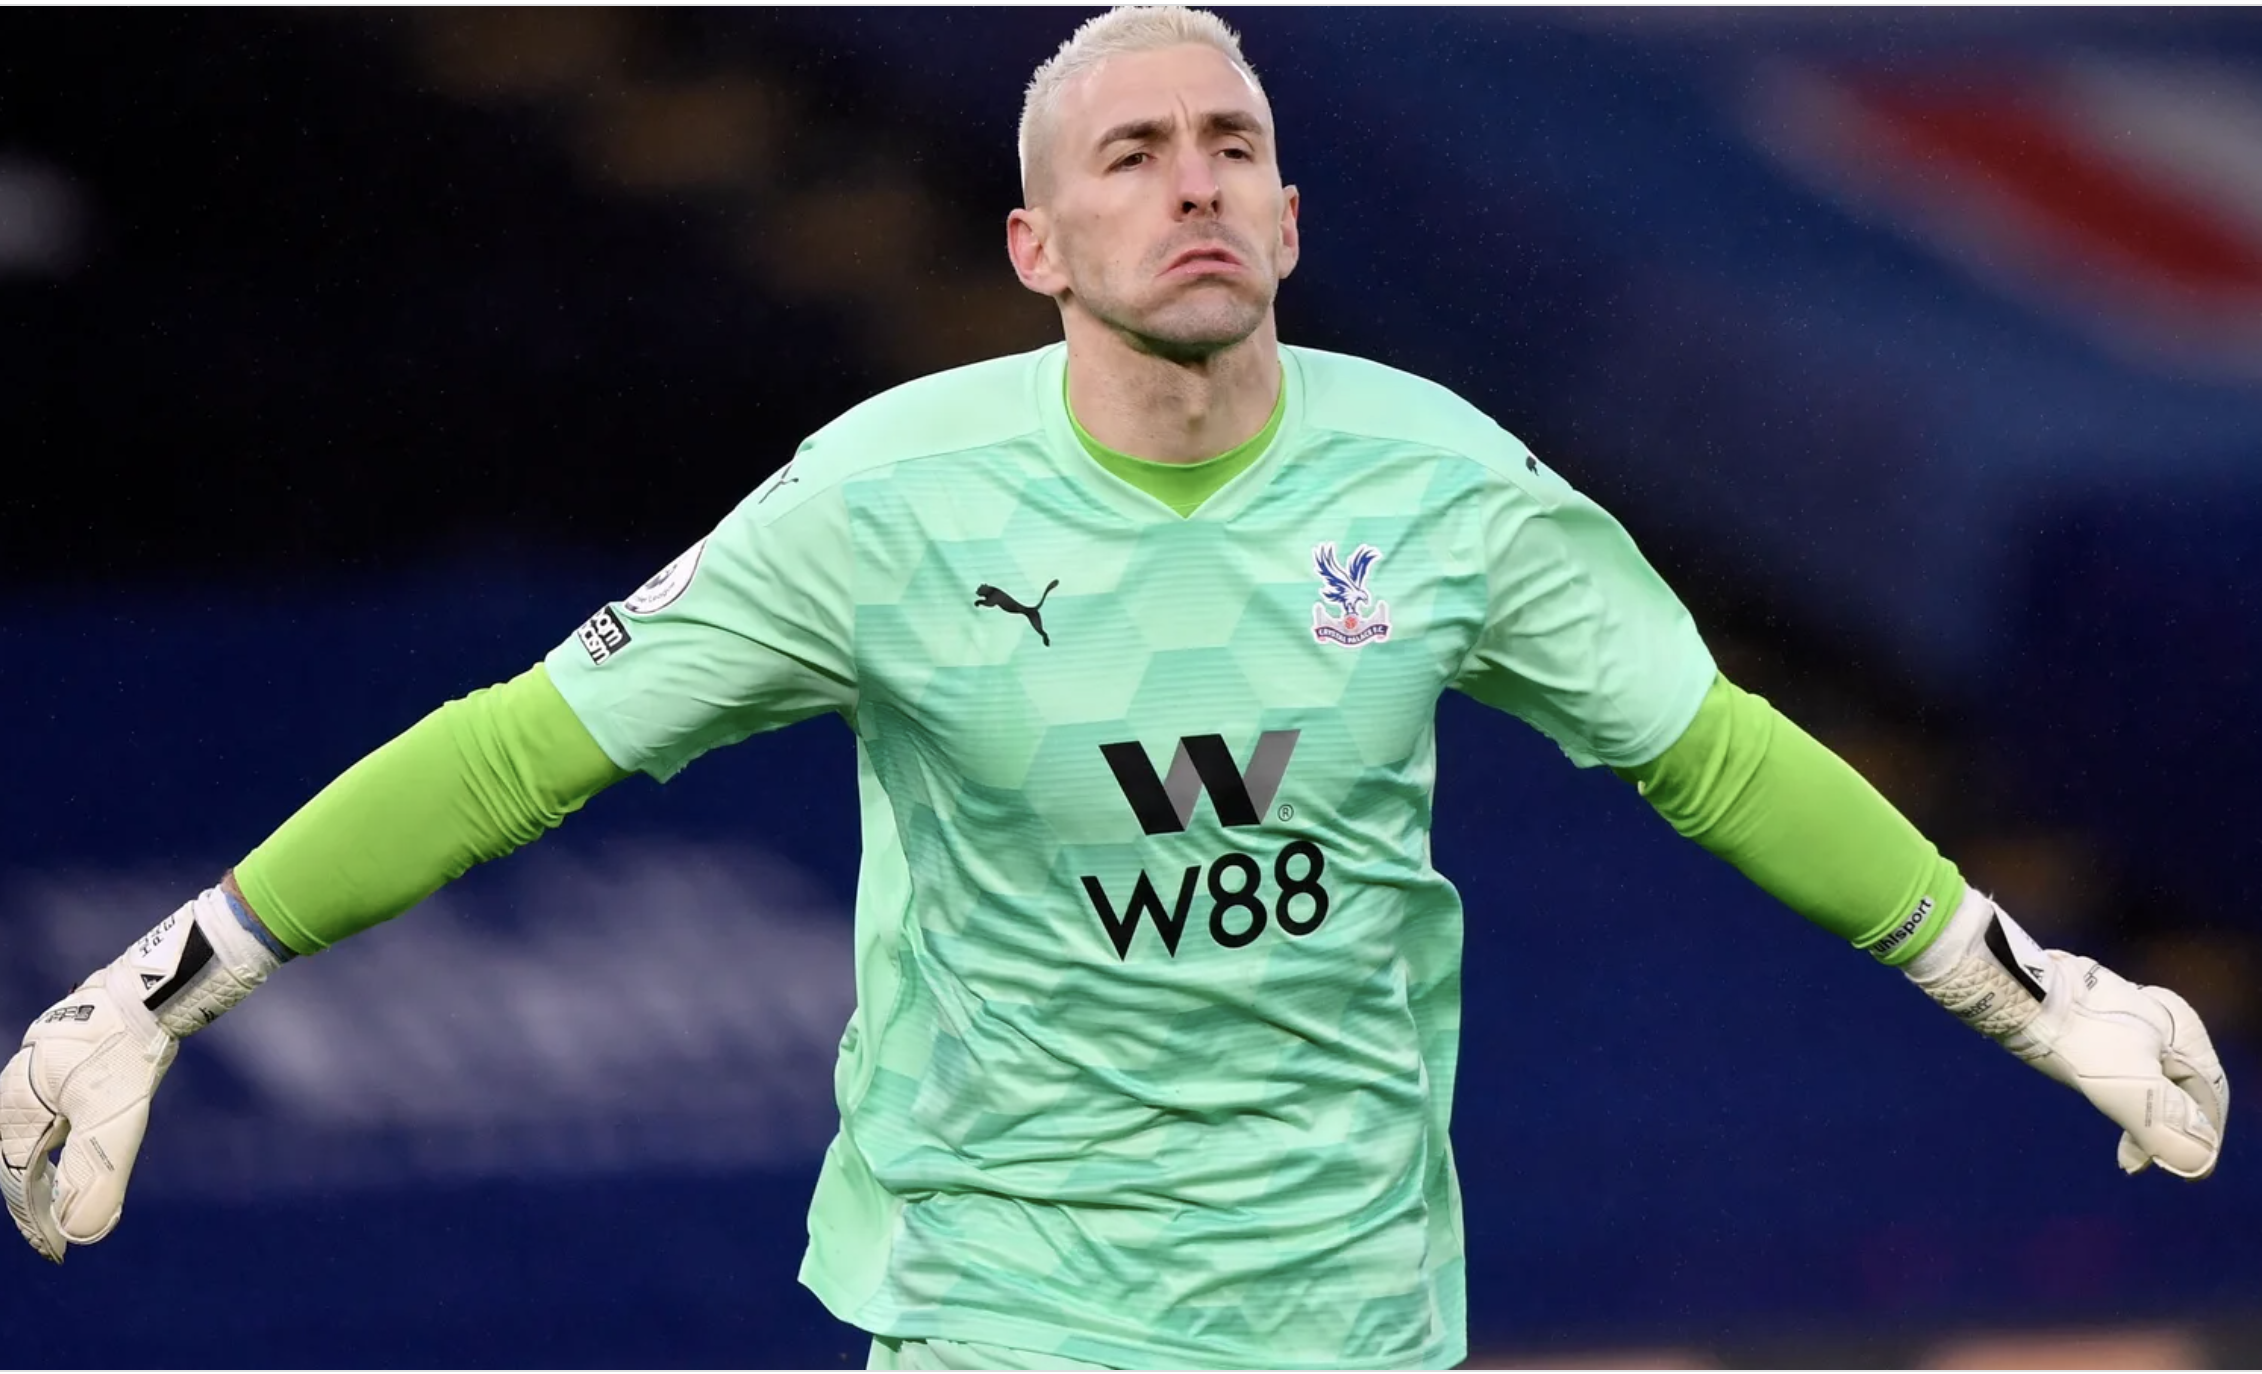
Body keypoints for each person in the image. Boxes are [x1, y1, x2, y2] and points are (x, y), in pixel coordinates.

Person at [0, 7, 2229, 1371]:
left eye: (1231, 146)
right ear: (1035, 253)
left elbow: (1712, 749)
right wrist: (171, 985)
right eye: (1132, 156)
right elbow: (524, 746)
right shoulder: (884, 503)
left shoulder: (1449, 489)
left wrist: (2034, 991)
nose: (1193, 184)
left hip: (1355, 1318)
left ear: (1285, 216)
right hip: (1010, 1313)